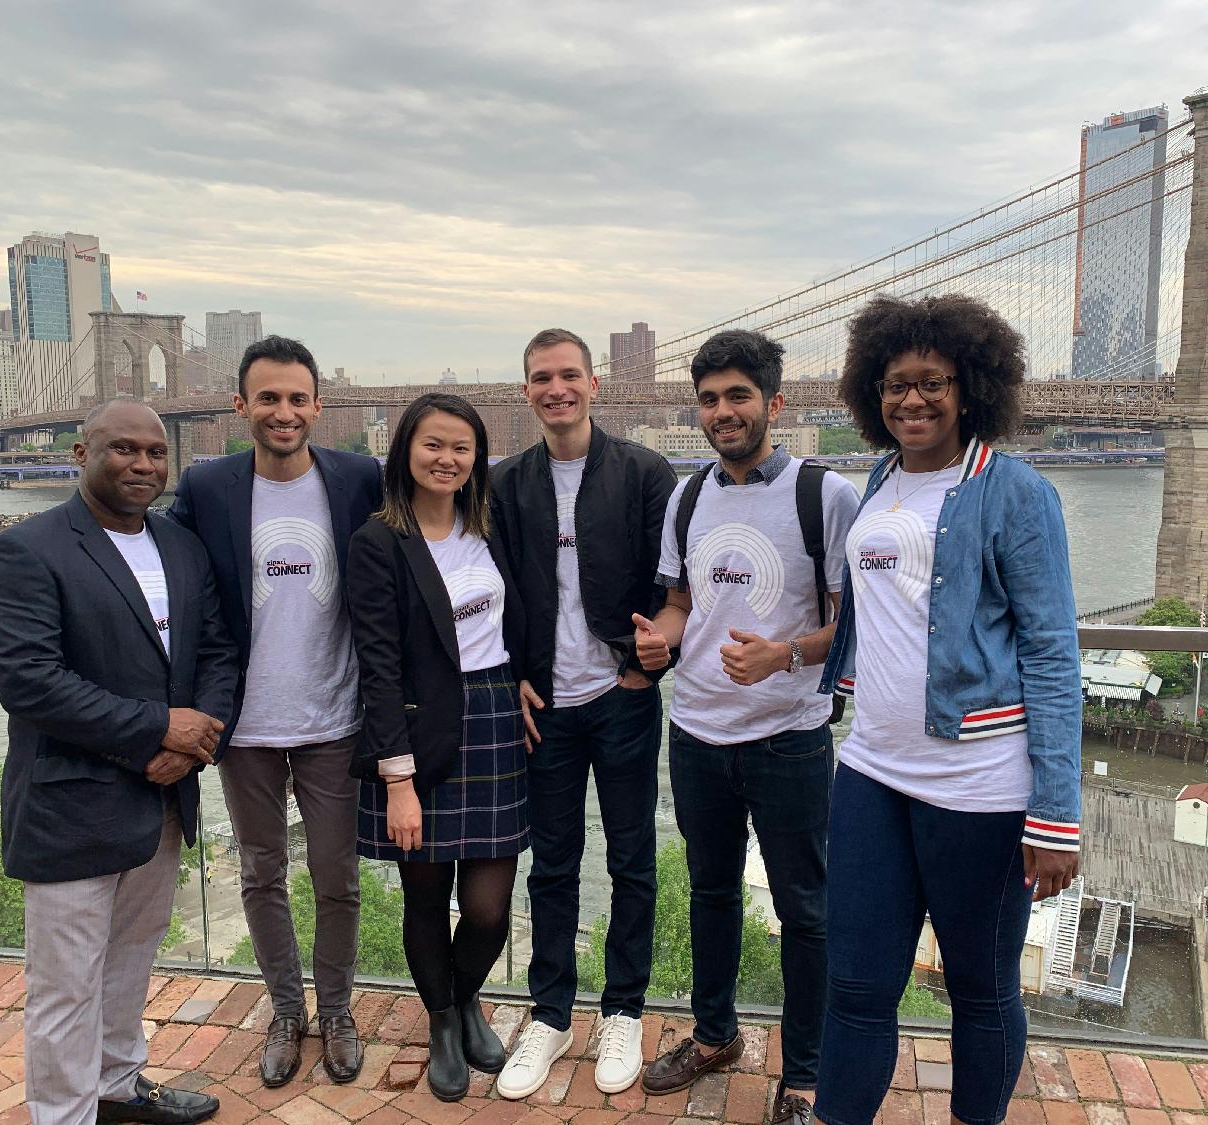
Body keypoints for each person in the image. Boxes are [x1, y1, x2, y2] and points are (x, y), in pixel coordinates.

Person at [813, 294, 1082, 1125]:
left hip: (979, 782)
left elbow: (1051, 651)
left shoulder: (1013, 490)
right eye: (895, 384)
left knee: (979, 988)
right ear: (872, 392)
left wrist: (1056, 813)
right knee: (854, 984)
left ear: (972, 389)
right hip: (870, 769)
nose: (912, 401)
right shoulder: (883, 477)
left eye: (933, 383)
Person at [0, 400, 239, 1125]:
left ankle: (118, 1087)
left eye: (156, 452)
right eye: (123, 449)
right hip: (72, 803)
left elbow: (217, 652)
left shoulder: (181, 546)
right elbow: (29, 680)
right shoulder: (26, 549)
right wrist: (158, 728)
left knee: (129, 963)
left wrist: (194, 744)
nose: (144, 464)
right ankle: (64, 1114)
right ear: (80, 452)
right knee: (64, 985)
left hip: (161, 798)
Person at [634, 329, 858, 1125]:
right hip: (694, 730)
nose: (722, 412)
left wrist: (786, 653)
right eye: (709, 398)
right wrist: (660, 637)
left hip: (790, 738)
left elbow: (853, 625)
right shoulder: (687, 497)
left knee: (806, 908)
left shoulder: (825, 496)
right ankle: (714, 1034)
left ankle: (803, 1075)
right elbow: (681, 604)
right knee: (710, 891)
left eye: (737, 395)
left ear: (775, 402)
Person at [168, 336, 382, 1087]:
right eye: (268, 397)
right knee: (261, 874)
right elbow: (181, 597)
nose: (283, 411)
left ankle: (339, 1008)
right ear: (241, 406)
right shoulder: (207, 486)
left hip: (335, 717)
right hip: (242, 724)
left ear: (318, 406)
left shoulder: (360, 477)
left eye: (297, 398)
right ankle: (286, 1009)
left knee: (337, 878)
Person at [490, 328, 677, 1099]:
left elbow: (679, 584)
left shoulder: (643, 472)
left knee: (633, 858)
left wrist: (643, 663)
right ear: (526, 390)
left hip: (622, 700)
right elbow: (488, 591)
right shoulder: (505, 484)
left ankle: (624, 1007)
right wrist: (511, 680)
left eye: (570, 375)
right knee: (554, 863)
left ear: (594, 385)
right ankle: (552, 1010)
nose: (556, 388)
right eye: (542, 377)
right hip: (547, 704)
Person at [346, 394, 532, 1101]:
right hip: (418, 734)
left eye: (462, 446)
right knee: (426, 894)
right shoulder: (378, 541)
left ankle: (464, 994)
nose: (447, 458)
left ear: (476, 458)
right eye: (433, 444)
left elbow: (527, 612)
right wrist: (398, 780)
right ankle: (444, 1021)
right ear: (406, 451)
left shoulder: (490, 525)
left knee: (487, 905)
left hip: (492, 716)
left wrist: (523, 681)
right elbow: (378, 665)